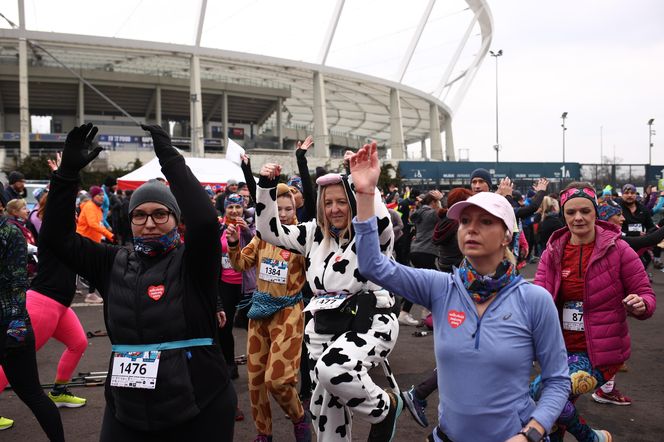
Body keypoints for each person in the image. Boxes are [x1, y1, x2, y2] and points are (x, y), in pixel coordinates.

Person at [350, 142, 570, 442]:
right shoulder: (441, 287)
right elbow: (373, 266)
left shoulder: (534, 300)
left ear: (507, 234)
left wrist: (531, 433)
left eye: (485, 221)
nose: (471, 228)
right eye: (465, 221)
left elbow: (557, 381)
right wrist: (364, 195)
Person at [40, 123, 237, 441]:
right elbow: (56, 238)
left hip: (200, 403)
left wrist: (169, 157)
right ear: (129, 221)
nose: (149, 223)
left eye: (161, 214)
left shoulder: (193, 261)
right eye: (139, 215)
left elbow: (202, 219)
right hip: (127, 407)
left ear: (175, 218)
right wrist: (66, 174)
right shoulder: (111, 262)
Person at [254, 160, 401, 442]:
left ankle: (385, 408)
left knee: (333, 369)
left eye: (342, 202)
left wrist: (368, 187)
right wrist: (266, 187)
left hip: (368, 323)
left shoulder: (369, 236)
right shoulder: (312, 234)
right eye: (328, 202)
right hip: (323, 329)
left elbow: (381, 225)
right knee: (323, 411)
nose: (334, 209)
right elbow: (269, 232)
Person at [533, 182, 656, 442]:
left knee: (544, 394)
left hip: (600, 353)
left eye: (585, 211)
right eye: (571, 212)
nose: (578, 218)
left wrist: (641, 304)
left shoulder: (619, 250)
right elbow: (537, 300)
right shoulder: (552, 252)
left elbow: (646, 294)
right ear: (563, 215)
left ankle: (590, 438)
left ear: (595, 212)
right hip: (560, 349)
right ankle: (590, 438)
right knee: (552, 414)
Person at [228, 183, 311, 442]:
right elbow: (241, 264)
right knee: (255, 381)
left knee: (277, 380)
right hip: (260, 311)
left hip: (289, 311)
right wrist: (233, 245)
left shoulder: (302, 235)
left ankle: (299, 417)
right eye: (279, 208)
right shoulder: (262, 235)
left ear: (296, 207)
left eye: (288, 208)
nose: (284, 213)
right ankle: (264, 434)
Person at [1, 197, 65, 440]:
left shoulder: (10, 232)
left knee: (32, 394)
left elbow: (18, 281)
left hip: (9, 324)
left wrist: (16, 328)